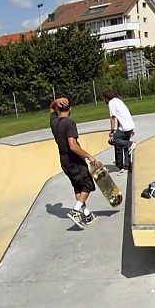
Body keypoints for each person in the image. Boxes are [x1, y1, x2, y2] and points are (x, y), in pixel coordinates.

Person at [50, 97, 101, 228]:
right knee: (87, 185)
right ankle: (75, 211)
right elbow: (73, 146)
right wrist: (90, 157)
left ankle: (87, 214)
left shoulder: (54, 121)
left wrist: (55, 101)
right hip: (74, 161)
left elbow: (51, 108)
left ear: (59, 107)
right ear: (70, 108)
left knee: (78, 187)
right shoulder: (69, 123)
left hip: (64, 162)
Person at [105, 91, 135, 172]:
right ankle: (127, 167)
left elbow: (112, 118)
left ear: (106, 98)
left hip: (125, 127)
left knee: (112, 141)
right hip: (130, 126)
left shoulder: (111, 103)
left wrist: (112, 132)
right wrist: (118, 129)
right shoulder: (118, 101)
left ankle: (131, 143)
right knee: (125, 147)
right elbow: (119, 117)